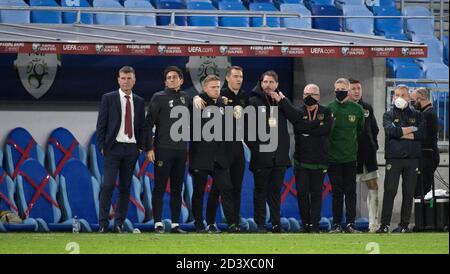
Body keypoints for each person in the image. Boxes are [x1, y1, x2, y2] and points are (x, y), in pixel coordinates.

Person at [198, 66, 250, 231]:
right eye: (235, 76)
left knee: (236, 187)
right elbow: (202, 97)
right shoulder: (220, 94)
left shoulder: (244, 97)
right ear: (228, 78)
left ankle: (234, 221)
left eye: (241, 76)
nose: (239, 79)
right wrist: (195, 99)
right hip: (222, 148)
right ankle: (215, 221)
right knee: (219, 187)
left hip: (238, 147)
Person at [96, 66, 146, 233]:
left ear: (134, 80)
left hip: (131, 149)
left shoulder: (139, 101)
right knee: (108, 185)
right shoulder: (108, 98)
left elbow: (141, 127)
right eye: (123, 78)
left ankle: (118, 224)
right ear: (118, 80)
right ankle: (103, 224)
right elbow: (101, 124)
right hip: (113, 148)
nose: (126, 81)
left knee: (125, 188)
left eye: (129, 78)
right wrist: (102, 146)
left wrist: (140, 147)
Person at [247, 70, 296, 233]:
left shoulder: (282, 102)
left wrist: (282, 101)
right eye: (265, 82)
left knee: (275, 192)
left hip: (280, 157)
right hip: (262, 157)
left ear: (277, 85)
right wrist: (257, 150)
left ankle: (276, 224)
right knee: (260, 191)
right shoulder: (253, 102)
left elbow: (296, 117)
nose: (268, 85)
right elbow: (247, 132)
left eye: (271, 82)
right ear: (261, 84)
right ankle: (260, 224)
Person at [280, 84, 333, 233]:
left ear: (319, 97)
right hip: (301, 161)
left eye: (312, 94)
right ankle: (306, 224)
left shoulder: (326, 111)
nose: (309, 97)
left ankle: (314, 225)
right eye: (306, 93)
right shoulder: (297, 111)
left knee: (316, 195)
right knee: (302, 194)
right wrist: (316, 125)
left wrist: (306, 127)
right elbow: (298, 129)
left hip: (320, 161)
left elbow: (326, 130)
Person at [190, 75, 238, 233]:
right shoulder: (197, 102)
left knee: (225, 189)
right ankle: (198, 224)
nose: (216, 90)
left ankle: (228, 224)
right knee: (199, 192)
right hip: (201, 156)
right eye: (213, 87)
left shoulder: (222, 104)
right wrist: (195, 98)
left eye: (218, 87)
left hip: (220, 158)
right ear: (204, 88)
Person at [145, 66, 189, 233]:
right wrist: (149, 148)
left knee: (178, 188)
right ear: (165, 81)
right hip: (163, 149)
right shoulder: (158, 97)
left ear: (181, 80)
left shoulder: (186, 98)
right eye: (169, 77)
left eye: (175, 77)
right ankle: (157, 223)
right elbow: (148, 124)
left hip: (180, 150)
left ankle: (176, 224)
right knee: (160, 187)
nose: (172, 80)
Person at [377, 85, 425, 233]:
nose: (399, 98)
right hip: (394, 158)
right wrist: (412, 129)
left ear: (409, 97)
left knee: (408, 192)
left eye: (403, 95)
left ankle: (404, 225)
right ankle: (384, 225)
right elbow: (391, 131)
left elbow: (421, 134)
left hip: (412, 159)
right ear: (393, 97)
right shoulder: (388, 115)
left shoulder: (417, 115)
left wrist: (400, 133)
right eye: (396, 95)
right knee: (390, 191)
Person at [327, 78, 365, 233]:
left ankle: (350, 224)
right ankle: (336, 224)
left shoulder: (357, 110)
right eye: (338, 89)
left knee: (350, 192)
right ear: (334, 90)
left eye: (343, 89)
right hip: (333, 158)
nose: (340, 92)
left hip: (350, 158)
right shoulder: (328, 109)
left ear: (348, 91)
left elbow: (359, 130)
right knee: (336, 192)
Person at [348, 78, 380, 233]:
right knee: (349, 191)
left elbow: (374, 129)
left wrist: (374, 145)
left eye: (358, 88)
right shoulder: (342, 108)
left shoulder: (367, 108)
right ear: (347, 91)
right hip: (350, 157)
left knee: (374, 188)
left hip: (368, 157)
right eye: (353, 88)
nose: (356, 91)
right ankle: (348, 224)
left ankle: (373, 225)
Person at [410, 88, 440, 198]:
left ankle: (423, 215)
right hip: (425, 157)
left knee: (421, 191)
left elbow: (420, 136)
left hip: (427, 157)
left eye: (413, 101)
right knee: (419, 190)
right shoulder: (425, 113)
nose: (413, 104)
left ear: (422, 97)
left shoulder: (428, 115)